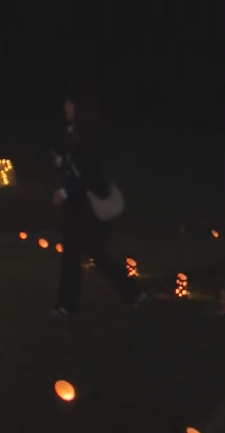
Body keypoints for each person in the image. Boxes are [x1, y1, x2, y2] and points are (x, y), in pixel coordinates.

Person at [48, 90, 144, 317]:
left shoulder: (90, 133)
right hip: (75, 203)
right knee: (72, 253)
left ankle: (133, 293)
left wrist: (64, 190)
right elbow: (70, 164)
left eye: (71, 103)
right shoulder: (70, 132)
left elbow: (88, 170)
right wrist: (59, 160)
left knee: (97, 254)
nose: (66, 106)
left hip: (90, 203)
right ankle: (66, 304)